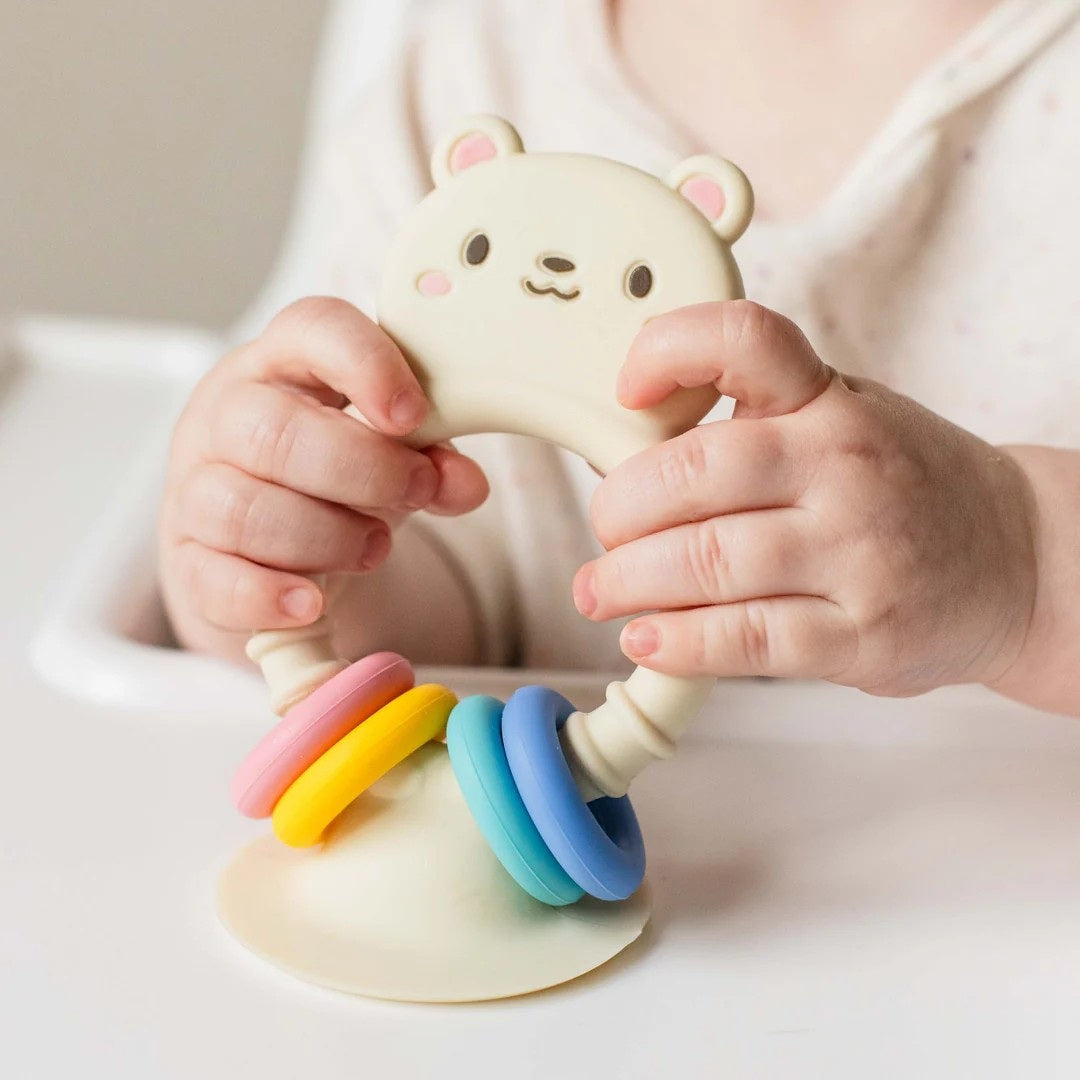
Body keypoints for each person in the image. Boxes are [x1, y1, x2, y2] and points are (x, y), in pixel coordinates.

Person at [157, 0, 1080, 715]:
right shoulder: (464, 65)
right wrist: (282, 556)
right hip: (601, 874)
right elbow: (446, 584)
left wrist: (1026, 564)